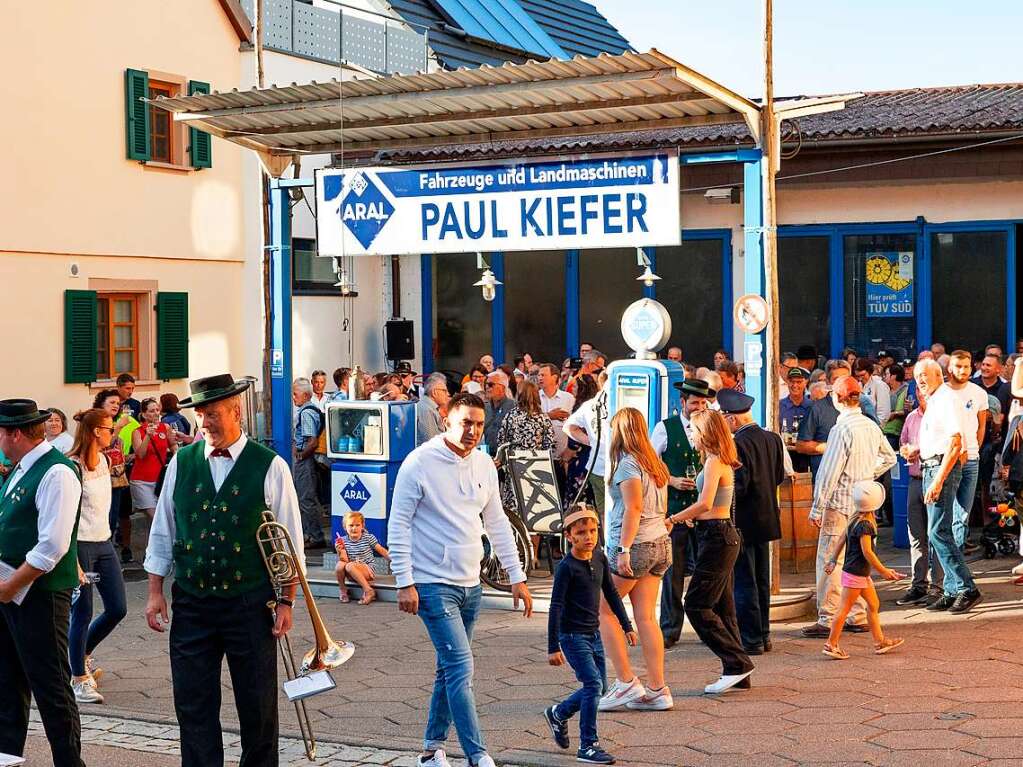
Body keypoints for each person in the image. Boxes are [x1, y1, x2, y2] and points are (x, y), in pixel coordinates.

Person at [144, 373, 303, 767]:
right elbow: (164, 528)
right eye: (200, 414)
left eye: (212, 413)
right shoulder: (183, 461)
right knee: (192, 702)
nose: (204, 423)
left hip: (250, 602)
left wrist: (287, 601)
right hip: (193, 601)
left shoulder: (271, 466)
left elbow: (289, 544)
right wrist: (154, 591)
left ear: (236, 412)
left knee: (258, 705)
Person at [388, 392, 533, 767]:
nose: (472, 431)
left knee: (448, 668)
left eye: (479, 424)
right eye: (465, 422)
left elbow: (496, 521)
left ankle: (431, 749)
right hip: (432, 583)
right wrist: (404, 581)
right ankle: (476, 754)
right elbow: (399, 524)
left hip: (472, 584)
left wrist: (516, 575)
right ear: (446, 420)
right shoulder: (418, 463)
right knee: (461, 668)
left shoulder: (485, 463)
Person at [0, 399, 85, 766]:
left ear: (15, 433)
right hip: (11, 593)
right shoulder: (20, 468)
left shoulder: (57, 472)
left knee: (51, 688)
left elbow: (52, 545)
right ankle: (7, 757)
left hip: (41, 596)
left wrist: (9, 586)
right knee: (7, 683)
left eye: (1, 433)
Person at [802, 376, 896, 638]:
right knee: (857, 559)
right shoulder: (869, 425)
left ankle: (829, 616)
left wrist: (817, 507)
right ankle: (856, 614)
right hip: (863, 504)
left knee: (830, 559)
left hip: (839, 502)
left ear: (838, 399)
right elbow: (889, 458)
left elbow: (828, 473)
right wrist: (866, 477)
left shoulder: (840, 429)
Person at [668, 409, 754, 694]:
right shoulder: (717, 460)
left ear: (704, 433)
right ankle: (738, 671)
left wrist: (674, 518)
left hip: (717, 537)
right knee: (723, 607)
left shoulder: (716, 461)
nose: (690, 434)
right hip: (717, 534)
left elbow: (705, 504)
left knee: (696, 604)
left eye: (693, 430)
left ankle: (737, 663)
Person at [544, 505, 635, 765]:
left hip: (593, 634)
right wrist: (553, 646)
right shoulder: (566, 568)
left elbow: (612, 593)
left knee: (599, 687)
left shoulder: (599, 558)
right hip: (572, 636)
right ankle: (588, 745)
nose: (588, 536)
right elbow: (555, 607)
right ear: (569, 536)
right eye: (581, 532)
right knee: (593, 685)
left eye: (593, 531)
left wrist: (626, 625)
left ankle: (558, 714)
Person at [597, 408, 673, 712]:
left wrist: (624, 549)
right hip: (659, 545)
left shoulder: (628, 465)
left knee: (604, 611)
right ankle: (658, 688)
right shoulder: (656, 464)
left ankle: (626, 682)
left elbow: (633, 508)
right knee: (645, 617)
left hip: (636, 546)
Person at [66, 408, 128, 705]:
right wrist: (73, 561)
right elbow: (66, 517)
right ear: (94, 432)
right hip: (80, 546)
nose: (112, 430)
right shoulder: (72, 466)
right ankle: (78, 678)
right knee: (82, 612)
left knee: (117, 608)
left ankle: (80, 654)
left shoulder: (103, 460)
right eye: (108, 427)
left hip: (103, 544)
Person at [719, 389, 787, 655]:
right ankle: (765, 634)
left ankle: (751, 639)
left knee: (745, 582)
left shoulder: (737, 444)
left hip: (744, 520)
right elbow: (779, 476)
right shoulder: (772, 439)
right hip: (768, 517)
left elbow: (740, 485)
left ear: (732, 419)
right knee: (761, 579)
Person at [915, 359, 983, 613]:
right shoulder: (936, 400)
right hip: (931, 465)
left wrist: (938, 479)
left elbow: (956, 443)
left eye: (924, 375)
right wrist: (918, 451)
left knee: (938, 532)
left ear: (938, 375)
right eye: (916, 376)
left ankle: (967, 588)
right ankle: (952, 591)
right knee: (938, 532)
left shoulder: (945, 399)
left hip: (940, 468)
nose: (920, 380)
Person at [650, 378, 713, 648]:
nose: (699, 407)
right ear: (682, 403)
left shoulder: (709, 427)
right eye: (694, 402)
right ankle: (670, 629)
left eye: (702, 402)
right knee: (672, 573)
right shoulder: (665, 428)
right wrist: (672, 480)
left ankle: (707, 626)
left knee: (706, 571)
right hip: (674, 510)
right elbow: (652, 465)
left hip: (703, 510)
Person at [822, 481, 906, 660]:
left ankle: (879, 641)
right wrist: (884, 571)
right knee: (844, 609)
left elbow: (841, 540)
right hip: (856, 573)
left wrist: (832, 560)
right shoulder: (866, 524)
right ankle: (831, 644)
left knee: (873, 604)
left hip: (858, 573)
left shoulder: (854, 518)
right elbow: (867, 552)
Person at [896, 392, 944, 605]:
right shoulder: (911, 417)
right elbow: (902, 442)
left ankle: (938, 586)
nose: (924, 396)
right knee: (915, 534)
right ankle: (918, 585)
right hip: (915, 478)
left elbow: (946, 447)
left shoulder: (942, 416)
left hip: (934, 478)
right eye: (921, 391)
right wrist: (905, 450)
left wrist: (920, 450)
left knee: (936, 534)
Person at [947, 350, 989, 552]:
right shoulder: (942, 392)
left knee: (964, 509)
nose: (962, 370)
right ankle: (949, 555)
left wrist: (975, 448)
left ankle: (958, 550)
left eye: (966, 366)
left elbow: (981, 426)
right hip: (947, 458)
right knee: (946, 508)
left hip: (972, 457)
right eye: (958, 366)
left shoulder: (979, 393)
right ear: (950, 368)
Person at [496, 381, 556, 513]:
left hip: (515, 464)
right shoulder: (543, 418)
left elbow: (501, 440)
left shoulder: (511, 416)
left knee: (514, 505)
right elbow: (550, 444)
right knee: (536, 506)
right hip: (537, 466)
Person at [564, 375, 610, 522]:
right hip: (611, 467)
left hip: (597, 467)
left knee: (604, 513)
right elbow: (569, 427)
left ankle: (608, 544)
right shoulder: (617, 404)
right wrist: (593, 441)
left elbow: (569, 427)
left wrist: (593, 441)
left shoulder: (589, 405)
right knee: (615, 512)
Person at [92, 389, 131, 554]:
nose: (116, 405)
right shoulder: (95, 421)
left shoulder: (114, 422)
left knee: (115, 518)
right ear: (102, 404)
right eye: (112, 402)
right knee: (106, 519)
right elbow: (104, 444)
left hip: (118, 480)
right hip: (102, 478)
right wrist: (119, 428)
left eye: (118, 403)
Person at [130, 397, 177, 523]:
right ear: (144, 414)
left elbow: (172, 445)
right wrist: (148, 437)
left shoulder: (165, 427)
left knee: (160, 518)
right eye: (151, 411)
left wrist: (176, 458)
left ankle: (155, 543)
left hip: (160, 479)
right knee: (156, 518)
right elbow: (140, 454)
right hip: (141, 481)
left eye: (157, 410)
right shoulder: (137, 432)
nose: (156, 413)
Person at [292, 377, 326, 549]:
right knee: (307, 497)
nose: (293, 397)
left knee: (306, 498)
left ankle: (315, 535)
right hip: (308, 461)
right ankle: (311, 533)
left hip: (305, 462)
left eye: (295, 394)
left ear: (305, 395)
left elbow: (311, 442)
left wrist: (300, 456)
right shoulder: (311, 410)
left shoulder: (306, 413)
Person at [334, 511, 389, 605]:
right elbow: (345, 561)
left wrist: (398, 563)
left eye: (357, 525)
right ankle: (343, 589)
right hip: (351, 571)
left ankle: (368, 590)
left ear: (362, 526)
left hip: (367, 570)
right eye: (351, 525)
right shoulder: (342, 541)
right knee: (340, 565)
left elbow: (382, 550)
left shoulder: (368, 537)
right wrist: (340, 551)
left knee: (350, 566)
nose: (354, 528)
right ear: (345, 527)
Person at [538, 363, 575, 460]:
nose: (540, 378)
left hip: (562, 457)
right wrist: (549, 416)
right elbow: (527, 420)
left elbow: (575, 425)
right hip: (540, 456)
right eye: (539, 375)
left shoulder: (568, 398)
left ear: (554, 377)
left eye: (543, 375)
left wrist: (570, 451)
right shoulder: (534, 397)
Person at [779, 367, 812, 473]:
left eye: (799, 382)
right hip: (785, 457)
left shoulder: (813, 407)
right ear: (787, 382)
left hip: (807, 458)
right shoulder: (779, 406)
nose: (795, 385)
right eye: (792, 381)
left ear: (805, 382)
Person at [483, 370, 515, 456]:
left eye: (490, 385)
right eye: (485, 384)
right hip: (487, 455)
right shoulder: (484, 407)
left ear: (503, 387)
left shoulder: (514, 407)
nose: (487, 387)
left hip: (506, 457)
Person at [417, 372, 451, 446]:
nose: (448, 394)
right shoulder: (426, 409)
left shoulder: (430, 408)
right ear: (434, 392)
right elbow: (430, 442)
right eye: (444, 391)